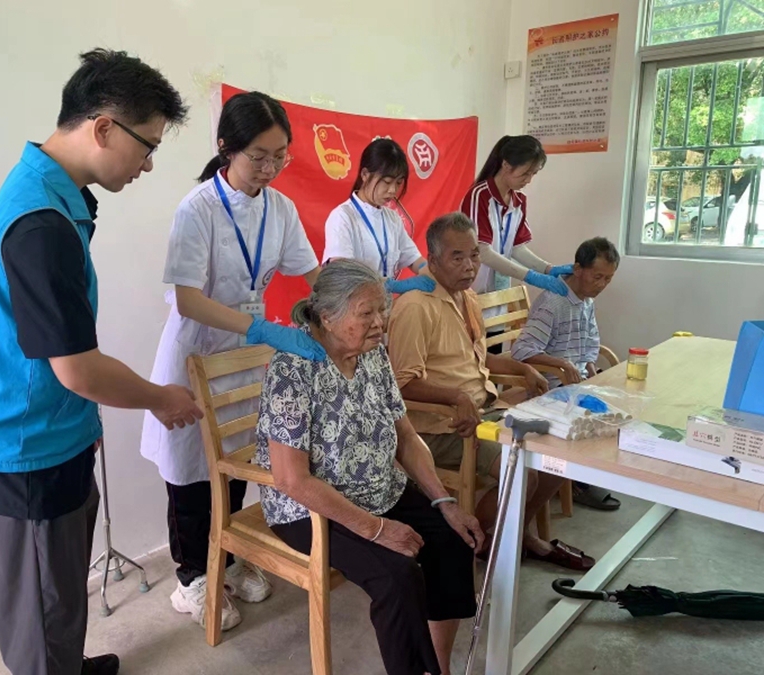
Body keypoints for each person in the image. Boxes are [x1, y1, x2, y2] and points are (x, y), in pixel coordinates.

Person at [0, 50, 203, 675]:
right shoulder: (40, 223)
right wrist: (161, 397)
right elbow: (78, 370)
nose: (148, 164)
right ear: (104, 128)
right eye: (147, 146)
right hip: (23, 454)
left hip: (50, 437)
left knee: (59, 591)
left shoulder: (52, 196)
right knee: (39, 613)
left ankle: (64, 660)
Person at [139, 91, 323, 631]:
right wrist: (262, 328)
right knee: (189, 473)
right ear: (226, 148)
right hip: (197, 351)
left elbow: (312, 273)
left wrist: (340, 305)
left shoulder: (280, 208)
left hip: (244, 354)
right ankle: (192, 578)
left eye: (280, 156)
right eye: (258, 156)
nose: (270, 168)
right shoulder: (198, 208)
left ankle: (229, 556)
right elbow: (187, 299)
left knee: (237, 457)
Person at [256, 259, 484, 675]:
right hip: (310, 508)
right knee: (397, 576)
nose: (380, 322)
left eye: (383, 309)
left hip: (381, 488)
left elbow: (406, 436)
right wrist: (377, 530)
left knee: (452, 540)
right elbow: (291, 479)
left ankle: (439, 667)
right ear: (327, 317)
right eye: (367, 313)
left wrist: (444, 501)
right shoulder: (292, 367)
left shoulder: (373, 353)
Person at [387, 212, 596, 571]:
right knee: (522, 470)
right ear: (432, 260)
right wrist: (456, 398)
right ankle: (475, 539)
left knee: (556, 456)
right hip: (440, 427)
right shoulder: (414, 307)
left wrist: (522, 368)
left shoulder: (467, 298)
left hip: (485, 410)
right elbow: (401, 385)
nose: (469, 266)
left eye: (474, 255)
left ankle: (514, 533)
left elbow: (479, 358)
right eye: (457, 257)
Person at [511, 236, 622, 512]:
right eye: (597, 277)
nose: (602, 285)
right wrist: (561, 364)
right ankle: (571, 482)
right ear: (578, 269)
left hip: (574, 387)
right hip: (548, 391)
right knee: (594, 426)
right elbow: (522, 350)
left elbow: (590, 343)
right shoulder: (553, 302)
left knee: (619, 414)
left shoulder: (586, 301)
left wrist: (590, 367)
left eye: (608, 279)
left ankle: (578, 478)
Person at [460, 135, 573, 350]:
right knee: (472, 360)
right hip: (472, 292)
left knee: (494, 357)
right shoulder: (479, 196)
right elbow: (481, 251)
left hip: (498, 296)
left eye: (533, 174)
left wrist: (548, 269)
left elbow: (516, 248)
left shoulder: (518, 201)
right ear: (506, 165)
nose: (528, 180)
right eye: (525, 173)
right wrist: (530, 276)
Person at [322, 137, 434, 294]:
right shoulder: (342, 217)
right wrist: (394, 286)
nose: (392, 190)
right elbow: (343, 274)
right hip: (351, 304)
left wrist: (432, 273)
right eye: (387, 182)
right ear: (365, 174)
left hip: (382, 305)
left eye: (398, 183)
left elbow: (414, 260)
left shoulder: (392, 219)